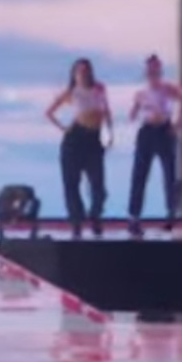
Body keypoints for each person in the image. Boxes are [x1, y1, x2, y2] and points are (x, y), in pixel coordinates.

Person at [126, 55, 182, 237]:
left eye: (156, 69)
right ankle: (134, 216)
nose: (153, 72)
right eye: (150, 69)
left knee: (169, 174)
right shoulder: (141, 93)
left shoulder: (169, 88)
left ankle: (171, 213)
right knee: (140, 174)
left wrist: (179, 123)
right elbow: (133, 113)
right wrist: (135, 112)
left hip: (164, 131)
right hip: (147, 131)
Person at [45, 58, 113, 239]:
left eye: (85, 70)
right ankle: (76, 221)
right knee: (71, 182)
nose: (82, 74)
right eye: (79, 71)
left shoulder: (99, 88)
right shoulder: (71, 92)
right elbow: (49, 112)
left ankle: (95, 215)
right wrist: (63, 128)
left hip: (94, 138)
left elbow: (106, 112)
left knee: (98, 184)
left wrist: (109, 133)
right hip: (75, 138)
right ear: (74, 74)